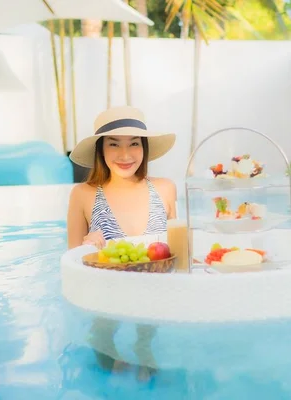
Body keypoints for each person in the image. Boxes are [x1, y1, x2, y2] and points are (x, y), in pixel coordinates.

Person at [66, 105, 177, 381]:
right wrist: (86, 247)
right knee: (106, 357)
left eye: (134, 144)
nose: (125, 155)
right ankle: (105, 345)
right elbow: (71, 266)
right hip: (106, 298)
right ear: (101, 150)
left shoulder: (164, 188)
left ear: (144, 148)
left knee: (147, 341)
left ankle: (143, 343)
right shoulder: (83, 194)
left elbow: (178, 249)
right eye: (114, 144)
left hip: (154, 296)